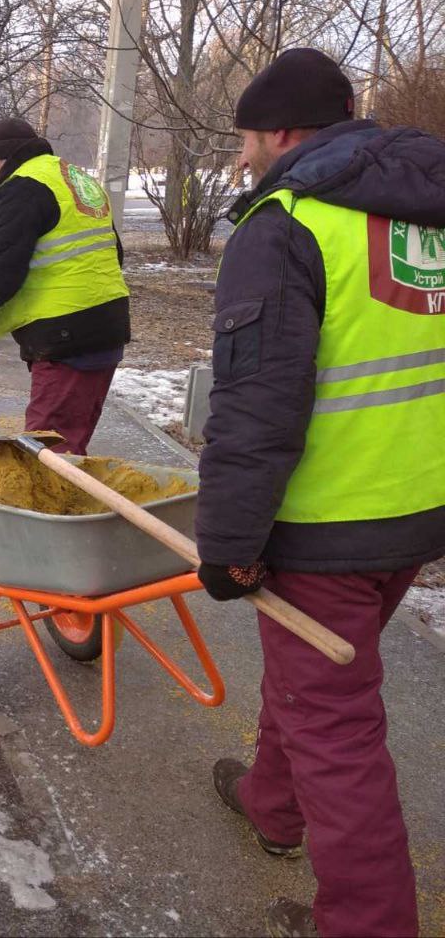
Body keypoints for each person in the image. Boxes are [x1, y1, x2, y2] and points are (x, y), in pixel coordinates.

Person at [197, 47, 445, 938]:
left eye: (249, 141)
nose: (243, 160)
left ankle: (368, 924)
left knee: (337, 731)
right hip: (415, 510)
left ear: (287, 132)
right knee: (313, 680)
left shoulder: (288, 224)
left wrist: (227, 543)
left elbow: (257, 407)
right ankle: (272, 805)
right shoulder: (428, 214)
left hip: (329, 525)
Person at [0, 118, 129, 454]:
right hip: (108, 329)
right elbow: (114, 252)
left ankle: (55, 508)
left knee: (47, 452)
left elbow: (2, 270)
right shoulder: (73, 178)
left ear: (3, 158)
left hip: (67, 339)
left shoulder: (22, 186)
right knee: (70, 447)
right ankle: (71, 503)